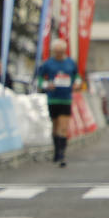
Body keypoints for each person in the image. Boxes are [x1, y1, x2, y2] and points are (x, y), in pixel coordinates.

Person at [34, 38, 78, 167]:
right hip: (53, 98)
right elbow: (40, 80)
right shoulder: (48, 64)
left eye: (60, 51)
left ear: (64, 51)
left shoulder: (70, 63)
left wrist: (76, 84)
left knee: (63, 127)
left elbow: (77, 77)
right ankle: (56, 150)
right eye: (56, 51)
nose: (58, 54)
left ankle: (62, 154)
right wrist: (47, 85)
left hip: (66, 98)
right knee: (55, 126)